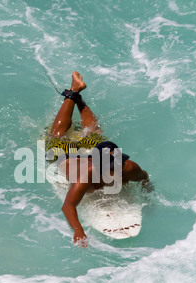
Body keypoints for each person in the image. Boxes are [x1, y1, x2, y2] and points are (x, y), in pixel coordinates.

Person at [46, 71, 149, 247]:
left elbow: (144, 177)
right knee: (56, 136)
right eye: (111, 167)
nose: (117, 168)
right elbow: (68, 205)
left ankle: (78, 98)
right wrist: (79, 230)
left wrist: (148, 194)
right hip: (65, 154)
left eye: (117, 164)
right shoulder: (84, 177)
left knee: (94, 133)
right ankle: (73, 92)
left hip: (92, 151)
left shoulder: (128, 168)